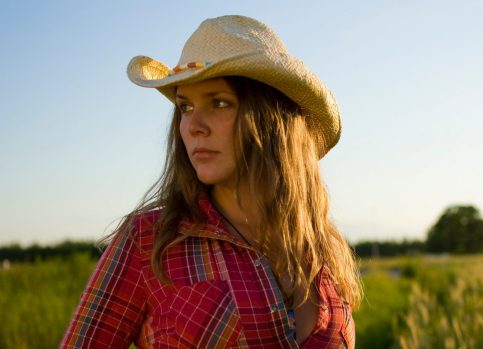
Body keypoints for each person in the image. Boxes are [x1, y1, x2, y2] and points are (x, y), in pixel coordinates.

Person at [60, 15, 361, 348]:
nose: (193, 125)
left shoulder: (321, 249)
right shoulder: (149, 242)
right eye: (185, 106)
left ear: (272, 119)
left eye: (218, 102)